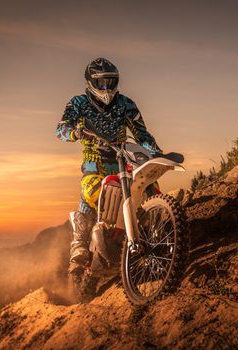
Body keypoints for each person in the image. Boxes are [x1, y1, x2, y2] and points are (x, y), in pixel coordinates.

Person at [56, 57, 161, 272]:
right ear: (90, 82)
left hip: (124, 157)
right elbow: (60, 129)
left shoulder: (126, 104)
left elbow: (142, 133)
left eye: (110, 82)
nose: (106, 87)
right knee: (91, 191)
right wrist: (75, 132)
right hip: (94, 160)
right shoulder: (78, 103)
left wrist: (154, 152)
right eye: (101, 82)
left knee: (149, 183)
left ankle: (159, 229)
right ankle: (80, 245)